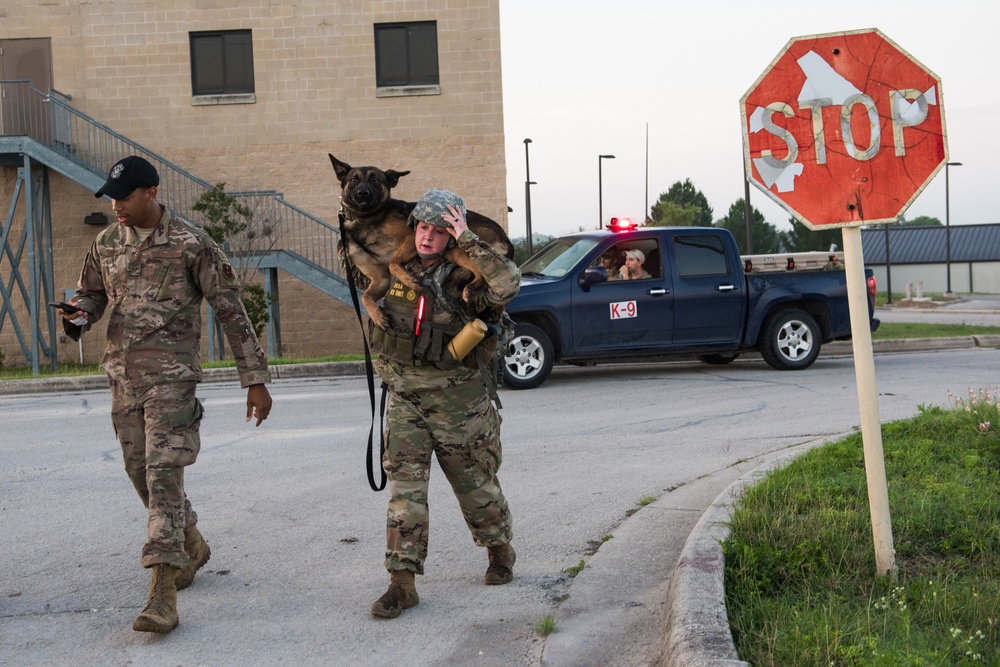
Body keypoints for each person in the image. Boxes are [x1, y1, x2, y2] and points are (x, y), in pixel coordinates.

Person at [58, 155, 273, 634]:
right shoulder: (107, 241)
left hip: (172, 379)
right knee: (140, 471)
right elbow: (92, 295)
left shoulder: (191, 243)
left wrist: (254, 378)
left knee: (163, 476)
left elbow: (230, 310)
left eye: (125, 196)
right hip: (123, 377)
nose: (116, 205)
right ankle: (191, 543)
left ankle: (162, 594)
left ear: (151, 193)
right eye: (112, 197)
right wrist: (78, 315)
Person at [365, 189, 519, 619]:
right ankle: (402, 582)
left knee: (475, 489)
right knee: (405, 494)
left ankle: (500, 551)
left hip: (459, 404)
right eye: (422, 227)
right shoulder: (396, 271)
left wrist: (467, 236)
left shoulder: (467, 280)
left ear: (450, 234)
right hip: (407, 400)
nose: (427, 237)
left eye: (438, 229)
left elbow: (509, 282)